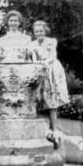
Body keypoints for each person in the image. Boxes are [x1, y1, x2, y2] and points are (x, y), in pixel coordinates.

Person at [30, 20, 69, 149]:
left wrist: (45, 64)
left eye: (41, 31)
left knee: (52, 101)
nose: (39, 33)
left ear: (45, 31)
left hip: (52, 70)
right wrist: (37, 66)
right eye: (36, 31)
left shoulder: (51, 41)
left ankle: (55, 131)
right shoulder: (32, 44)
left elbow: (52, 56)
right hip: (40, 70)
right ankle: (46, 132)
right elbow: (34, 59)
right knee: (41, 101)